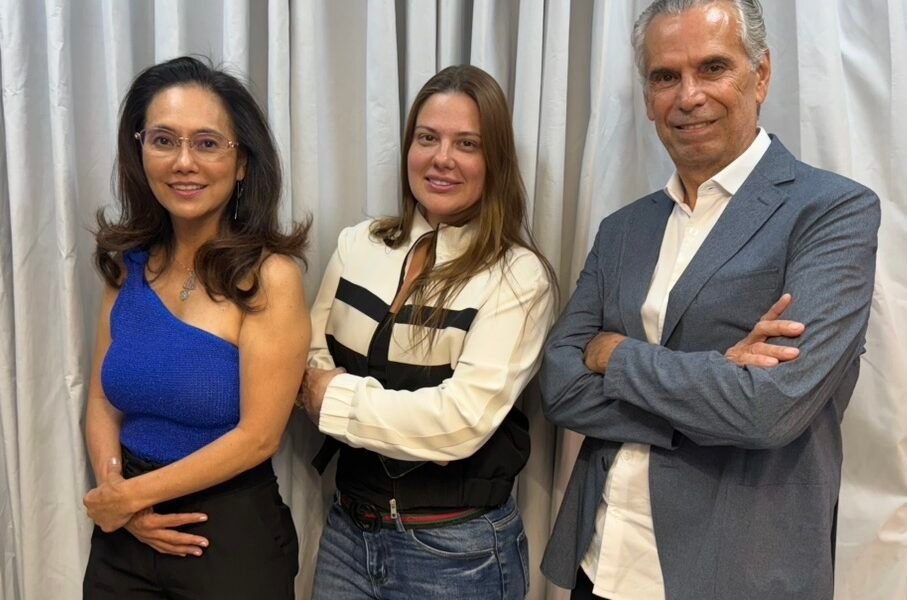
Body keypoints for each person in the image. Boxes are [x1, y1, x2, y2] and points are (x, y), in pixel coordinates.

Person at [539, 1, 880, 599]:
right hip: (602, 560)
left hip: (738, 573)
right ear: (648, 98)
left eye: (713, 67)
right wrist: (716, 384)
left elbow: (768, 409)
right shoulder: (624, 229)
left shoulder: (832, 211)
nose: (688, 96)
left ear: (761, 74)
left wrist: (616, 355)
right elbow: (560, 384)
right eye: (665, 76)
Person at [298, 64, 557, 599]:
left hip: (456, 552)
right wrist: (418, 429)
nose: (442, 158)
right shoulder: (358, 244)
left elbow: (458, 425)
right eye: (427, 138)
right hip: (348, 531)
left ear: (495, 161)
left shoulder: (518, 277)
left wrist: (334, 400)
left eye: (467, 143)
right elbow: (308, 358)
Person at [82, 56, 310, 599]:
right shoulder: (127, 265)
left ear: (242, 163)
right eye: (164, 140)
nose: (184, 162)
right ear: (140, 152)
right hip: (123, 539)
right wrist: (115, 488)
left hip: (227, 540)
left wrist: (131, 497)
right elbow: (102, 400)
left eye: (207, 143)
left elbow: (259, 437)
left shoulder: (270, 277)